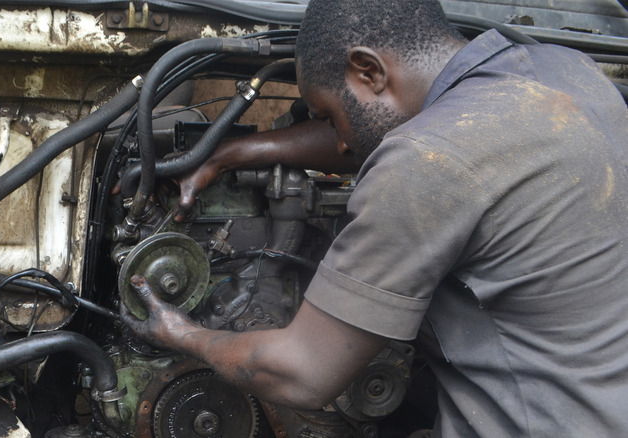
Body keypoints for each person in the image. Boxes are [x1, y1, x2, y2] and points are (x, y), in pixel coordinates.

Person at [121, 0, 628, 436]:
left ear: (369, 70)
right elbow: (391, 131)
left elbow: (302, 373)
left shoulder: (426, 162)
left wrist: (182, 335)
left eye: (329, 116)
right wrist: (226, 154)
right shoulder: (563, 71)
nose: (340, 142)